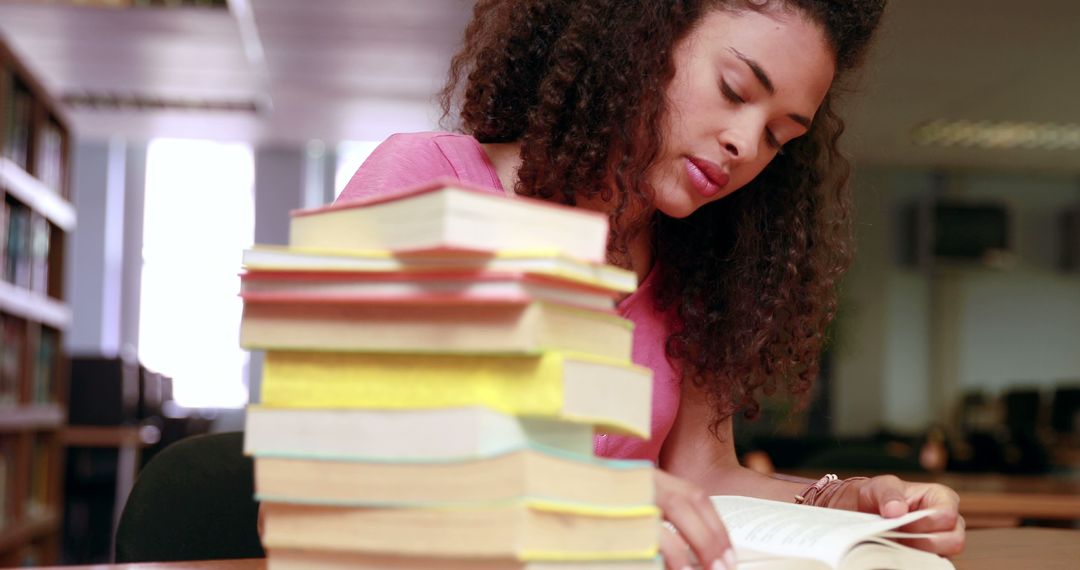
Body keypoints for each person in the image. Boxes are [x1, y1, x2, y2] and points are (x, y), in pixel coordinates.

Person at [337, 1, 965, 569]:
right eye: (733, 89)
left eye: (780, 137)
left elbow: (702, 477)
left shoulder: (695, 263)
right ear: (638, 35)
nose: (744, 144)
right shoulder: (418, 182)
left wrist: (841, 502)